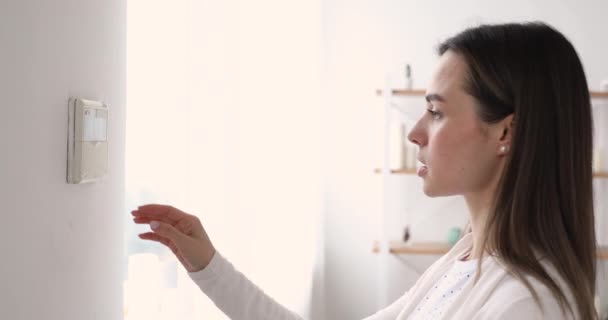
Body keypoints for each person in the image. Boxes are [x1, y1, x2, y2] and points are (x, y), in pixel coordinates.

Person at [131, 21, 599, 320]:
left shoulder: (526, 305)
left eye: (436, 112)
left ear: (506, 134)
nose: (414, 132)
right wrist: (208, 265)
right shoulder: (464, 262)